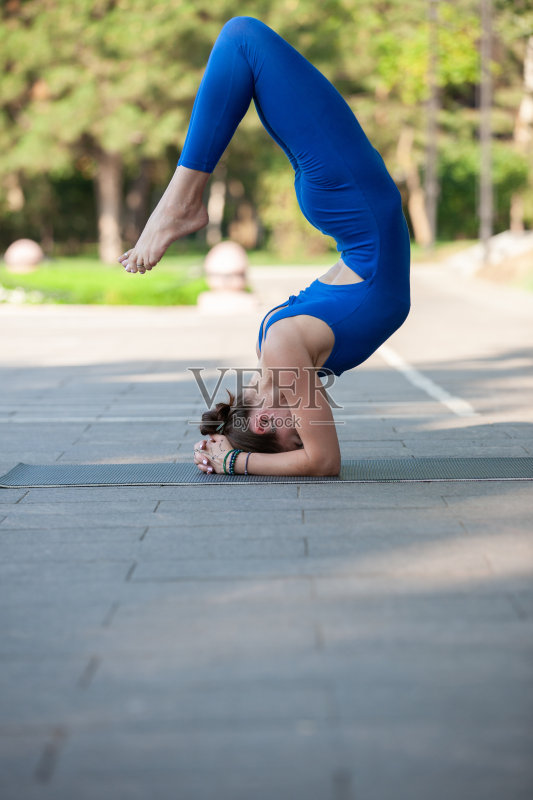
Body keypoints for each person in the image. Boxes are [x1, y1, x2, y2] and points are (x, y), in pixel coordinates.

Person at [118, 16, 411, 477]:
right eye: (298, 436)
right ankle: (183, 201)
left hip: (355, 207)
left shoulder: (273, 351)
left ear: (256, 419)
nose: (302, 427)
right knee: (243, 39)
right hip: (356, 203)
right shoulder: (281, 349)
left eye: (284, 432)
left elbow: (312, 455)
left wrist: (225, 444)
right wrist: (235, 458)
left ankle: (183, 202)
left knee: (244, 43)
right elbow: (324, 462)